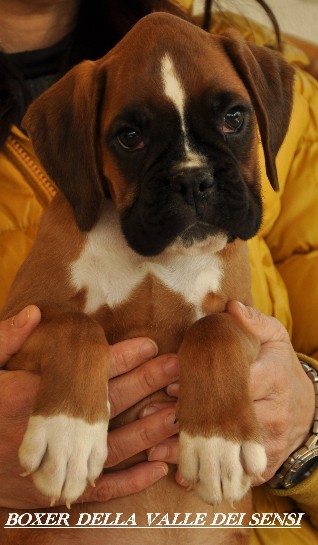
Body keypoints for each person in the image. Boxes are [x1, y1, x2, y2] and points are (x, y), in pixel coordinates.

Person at [0, 1, 318, 544]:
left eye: (232, 120)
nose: (192, 177)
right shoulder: (80, 109)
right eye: (132, 137)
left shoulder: (242, 55)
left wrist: (308, 427)